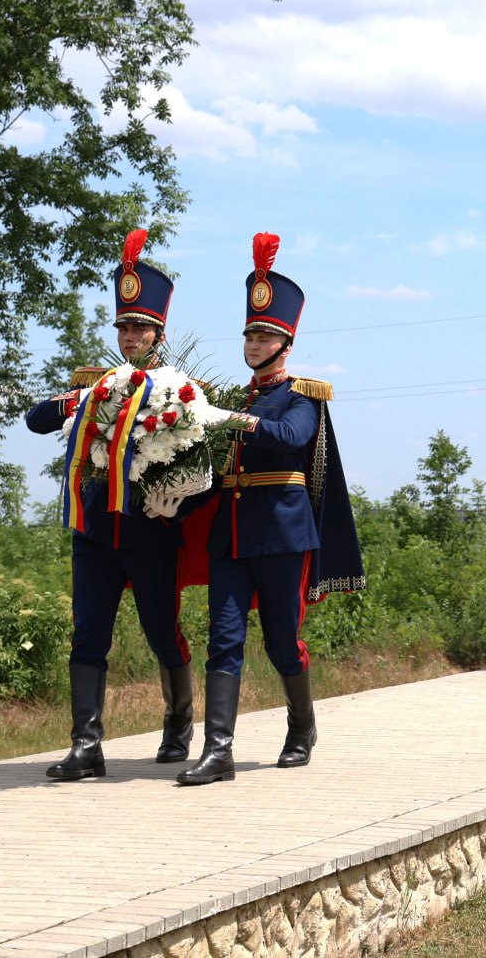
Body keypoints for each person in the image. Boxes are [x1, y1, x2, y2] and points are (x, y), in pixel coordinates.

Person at [178, 233, 365, 785]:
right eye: (250, 336)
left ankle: (301, 727)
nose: (255, 344)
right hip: (231, 537)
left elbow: (288, 438)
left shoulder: (302, 395)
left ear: (285, 343)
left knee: (283, 641)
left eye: (265, 336)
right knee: (224, 637)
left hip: (283, 535)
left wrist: (232, 421)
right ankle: (218, 752)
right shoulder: (236, 397)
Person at [26, 230, 197, 780]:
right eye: (123, 326)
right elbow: (36, 419)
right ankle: (86, 745)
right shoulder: (95, 385)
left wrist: (176, 503)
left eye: (140, 327)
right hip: (96, 531)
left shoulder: (180, 390)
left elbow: (202, 468)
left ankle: (178, 720)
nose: (130, 335)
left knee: (160, 631)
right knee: (88, 633)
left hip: (149, 533)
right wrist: (81, 398)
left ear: (159, 333)